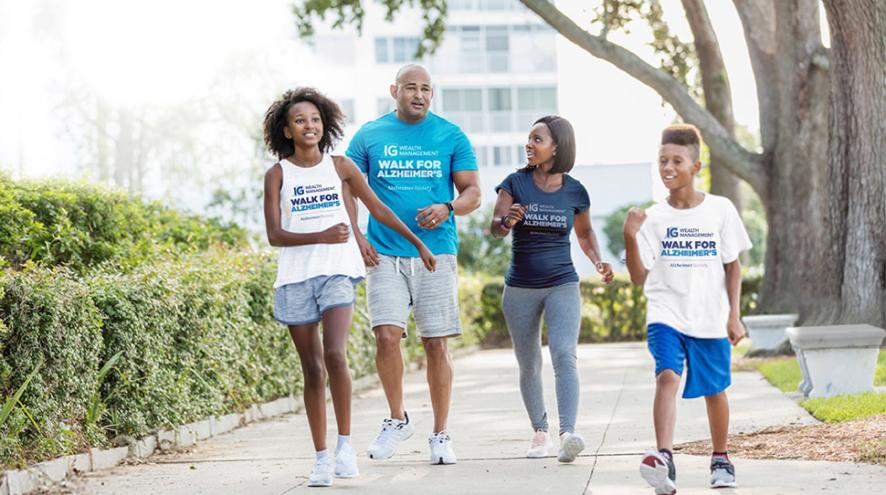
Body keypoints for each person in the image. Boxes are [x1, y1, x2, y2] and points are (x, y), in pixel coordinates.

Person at [262, 87, 435, 487]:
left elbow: (379, 209)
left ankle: (344, 446)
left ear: (325, 125)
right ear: (286, 131)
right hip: (294, 279)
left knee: (336, 355)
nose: (309, 126)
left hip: (337, 273)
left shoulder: (339, 167)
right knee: (312, 369)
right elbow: (274, 234)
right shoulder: (278, 175)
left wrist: (418, 242)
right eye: (300, 121)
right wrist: (321, 234)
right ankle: (321, 456)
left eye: (315, 120)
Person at [345, 64, 481, 465]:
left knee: (436, 343)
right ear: (395, 91)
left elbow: (473, 192)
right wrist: (358, 235)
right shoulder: (370, 135)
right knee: (386, 336)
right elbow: (347, 186)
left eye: (425, 89)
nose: (419, 95)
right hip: (384, 252)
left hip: (436, 253)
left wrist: (448, 206)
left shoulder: (450, 135)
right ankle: (397, 419)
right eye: (411, 88)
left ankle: (440, 433)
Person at [623, 124, 751, 493]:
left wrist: (733, 314)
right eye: (662, 160)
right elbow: (637, 276)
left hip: (710, 316)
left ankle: (721, 458)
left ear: (695, 167)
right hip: (666, 313)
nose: (668, 167)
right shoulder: (652, 218)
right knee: (667, 376)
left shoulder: (720, 209)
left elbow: (733, 265)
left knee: (715, 390)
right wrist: (631, 237)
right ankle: (664, 458)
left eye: (677, 160)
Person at [490, 115, 614, 463]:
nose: (529, 144)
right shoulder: (514, 183)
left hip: (562, 282)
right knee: (529, 363)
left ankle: (568, 434)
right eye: (528, 139)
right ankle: (540, 431)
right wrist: (507, 221)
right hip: (520, 288)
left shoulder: (575, 190)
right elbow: (495, 228)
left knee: (564, 354)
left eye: (537, 139)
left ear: (557, 147)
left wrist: (597, 261)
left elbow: (586, 233)